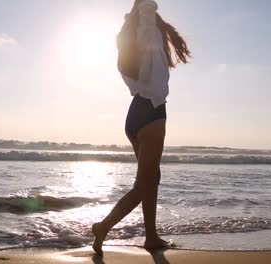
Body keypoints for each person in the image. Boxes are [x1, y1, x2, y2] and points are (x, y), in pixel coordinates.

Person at [92, 0, 191, 256]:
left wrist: (135, 15)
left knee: (151, 179)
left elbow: (141, 19)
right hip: (152, 113)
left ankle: (151, 236)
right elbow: (146, 12)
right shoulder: (147, 35)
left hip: (135, 113)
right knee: (144, 185)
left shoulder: (130, 40)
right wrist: (142, 7)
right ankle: (103, 227)